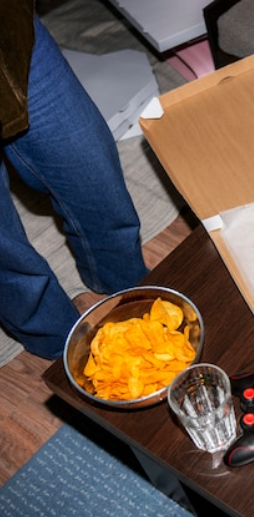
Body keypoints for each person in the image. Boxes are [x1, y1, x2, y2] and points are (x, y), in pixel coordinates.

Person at [0, 2, 148, 360]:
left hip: (10, 32)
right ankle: (58, 340)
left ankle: (124, 283)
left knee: (91, 169)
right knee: (5, 251)